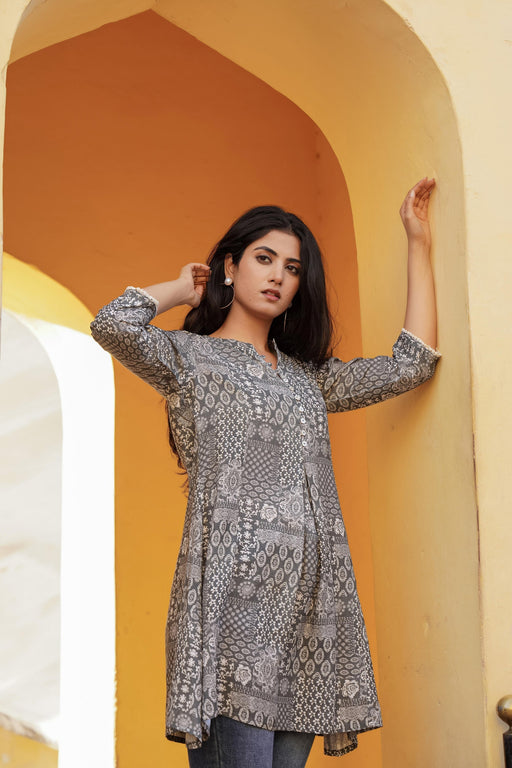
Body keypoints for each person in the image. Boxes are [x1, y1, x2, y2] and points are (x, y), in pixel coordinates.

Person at [90, 177, 440, 768]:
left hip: (307, 617)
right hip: (230, 609)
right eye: (264, 258)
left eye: (292, 268)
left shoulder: (309, 379)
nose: (278, 275)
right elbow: (112, 324)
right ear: (231, 267)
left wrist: (418, 242)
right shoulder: (189, 359)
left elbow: (412, 366)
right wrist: (181, 288)